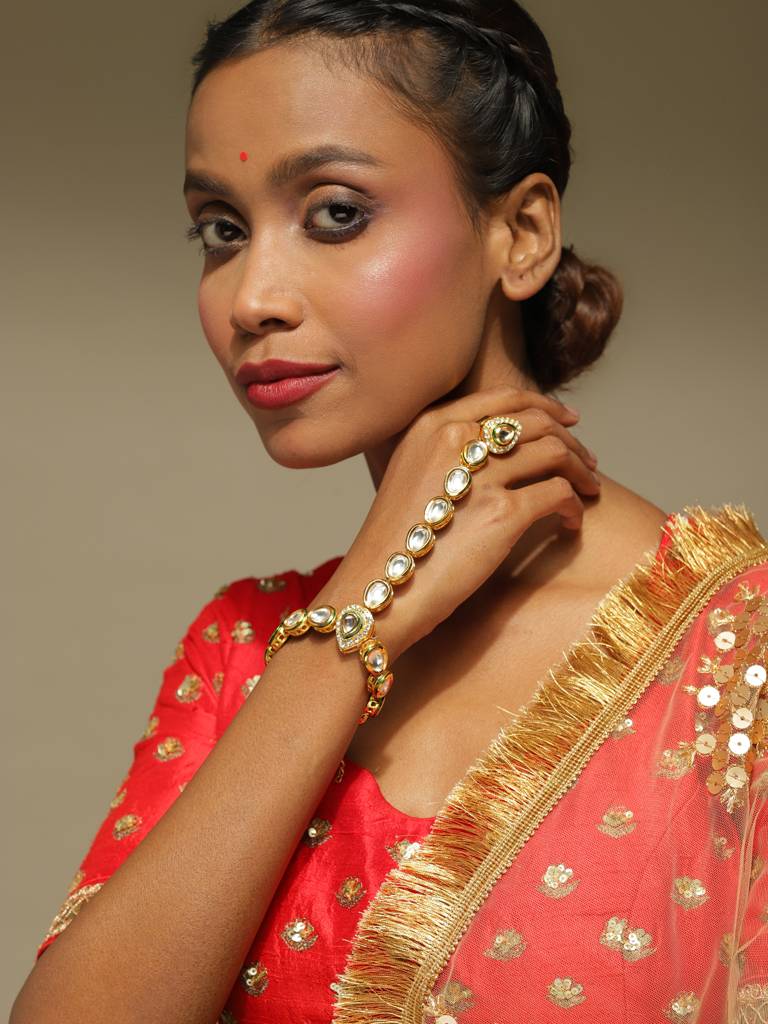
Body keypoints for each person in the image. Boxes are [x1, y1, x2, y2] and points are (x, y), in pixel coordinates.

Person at [10, 2, 768, 1022]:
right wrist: (351, 624)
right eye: (221, 230)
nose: (251, 297)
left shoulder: (739, 652)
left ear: (522, 234)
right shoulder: (246, 649)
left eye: (335, 214)